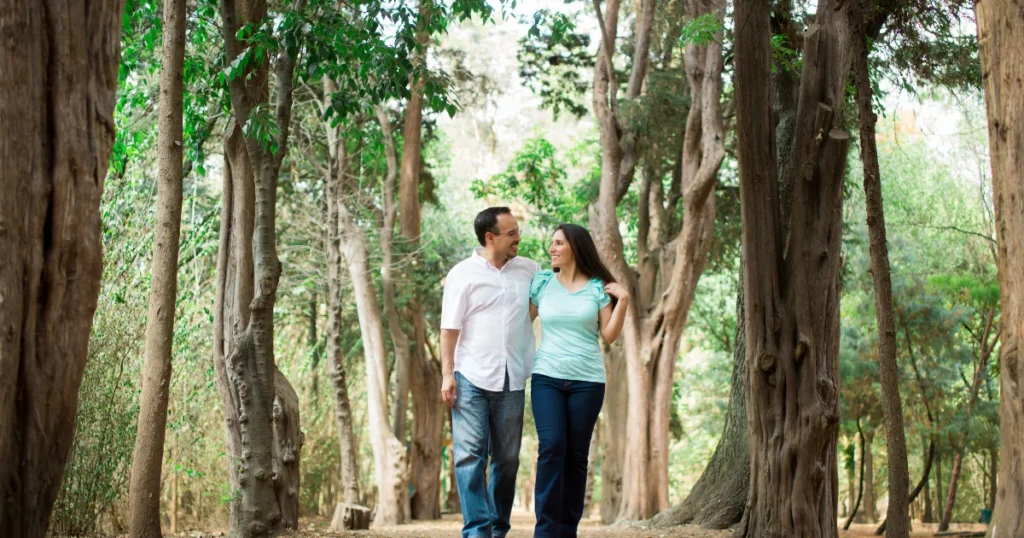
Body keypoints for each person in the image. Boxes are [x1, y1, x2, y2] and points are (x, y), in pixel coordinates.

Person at [440, 207, 540, 538]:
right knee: (469, 457)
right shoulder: (462, 274)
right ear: (490, 237)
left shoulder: (529, 270)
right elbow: (449, 328)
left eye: (517, 232)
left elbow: (548, 298)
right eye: (511, 233)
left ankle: (498, 529)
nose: (518, 238)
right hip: (470, 376)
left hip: (512, 377)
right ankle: (477, 531)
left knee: (507, 460)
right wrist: (447, 374)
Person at [528, 223, 630, 538]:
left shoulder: (597, 288)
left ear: (575, 246)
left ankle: (566, 530)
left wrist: (623, 301)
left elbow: (609, 336)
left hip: (587, 381)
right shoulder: (543, 283)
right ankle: (545, 530)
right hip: (547, 377)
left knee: (575, 456)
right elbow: (520, 322)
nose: (552, 248)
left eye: (558, 243)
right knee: (552, 446)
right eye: (552, 243)